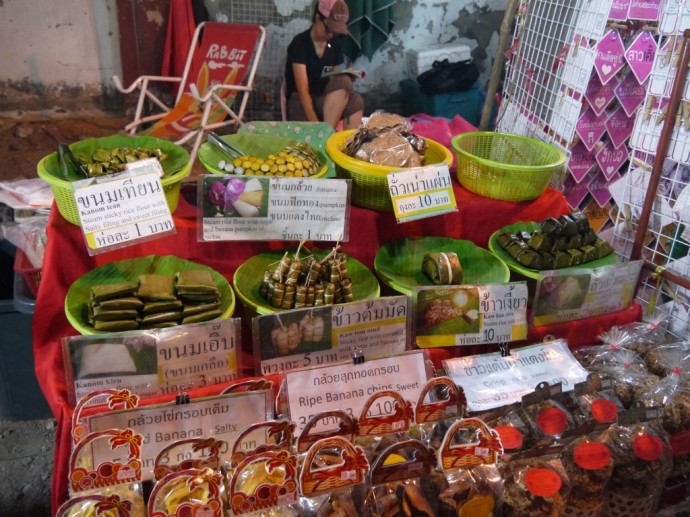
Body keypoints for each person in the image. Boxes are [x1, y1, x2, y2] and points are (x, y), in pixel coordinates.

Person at [284, 0, 364, 130]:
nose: (331, 35)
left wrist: (348, 76)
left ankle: (347, 145)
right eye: (328, 29)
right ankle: (325, 134)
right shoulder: (300, 44)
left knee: (355, 99)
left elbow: (335, 79)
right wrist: (316, 125)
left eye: (335, 32)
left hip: (324, 99)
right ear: (317, 18)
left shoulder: (335, 43)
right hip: (300, 101)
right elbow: (303, 91)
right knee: (343, 82)